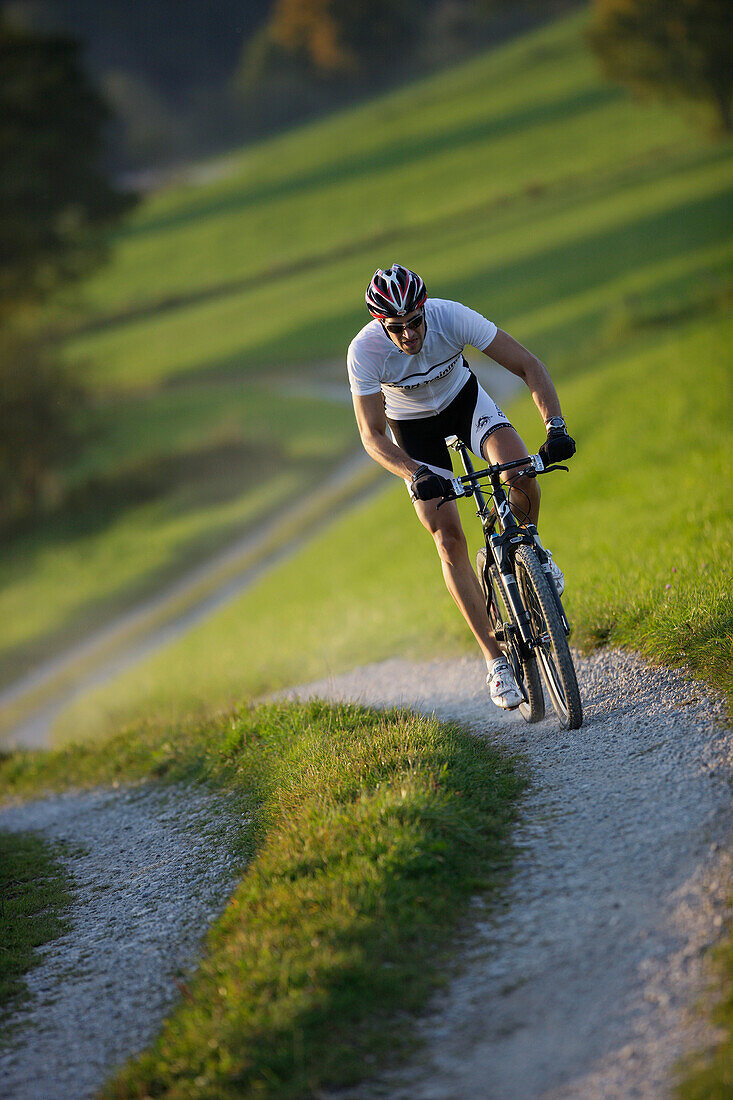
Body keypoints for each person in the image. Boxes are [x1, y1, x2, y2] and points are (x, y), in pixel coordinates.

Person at [347, 263, 576, 711]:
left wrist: (555, 426)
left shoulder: (450, 315)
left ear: (425, 309)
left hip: (464, 402)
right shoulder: (365, 352)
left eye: (415, 321)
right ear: (381, 325)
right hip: (413, 432)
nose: (410, 334)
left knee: (520, 470)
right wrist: (414, 473)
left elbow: (528, 364)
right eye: (398, 327)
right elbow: (371, 437)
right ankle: (495, 661)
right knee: (447, 538)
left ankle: (532, 549)